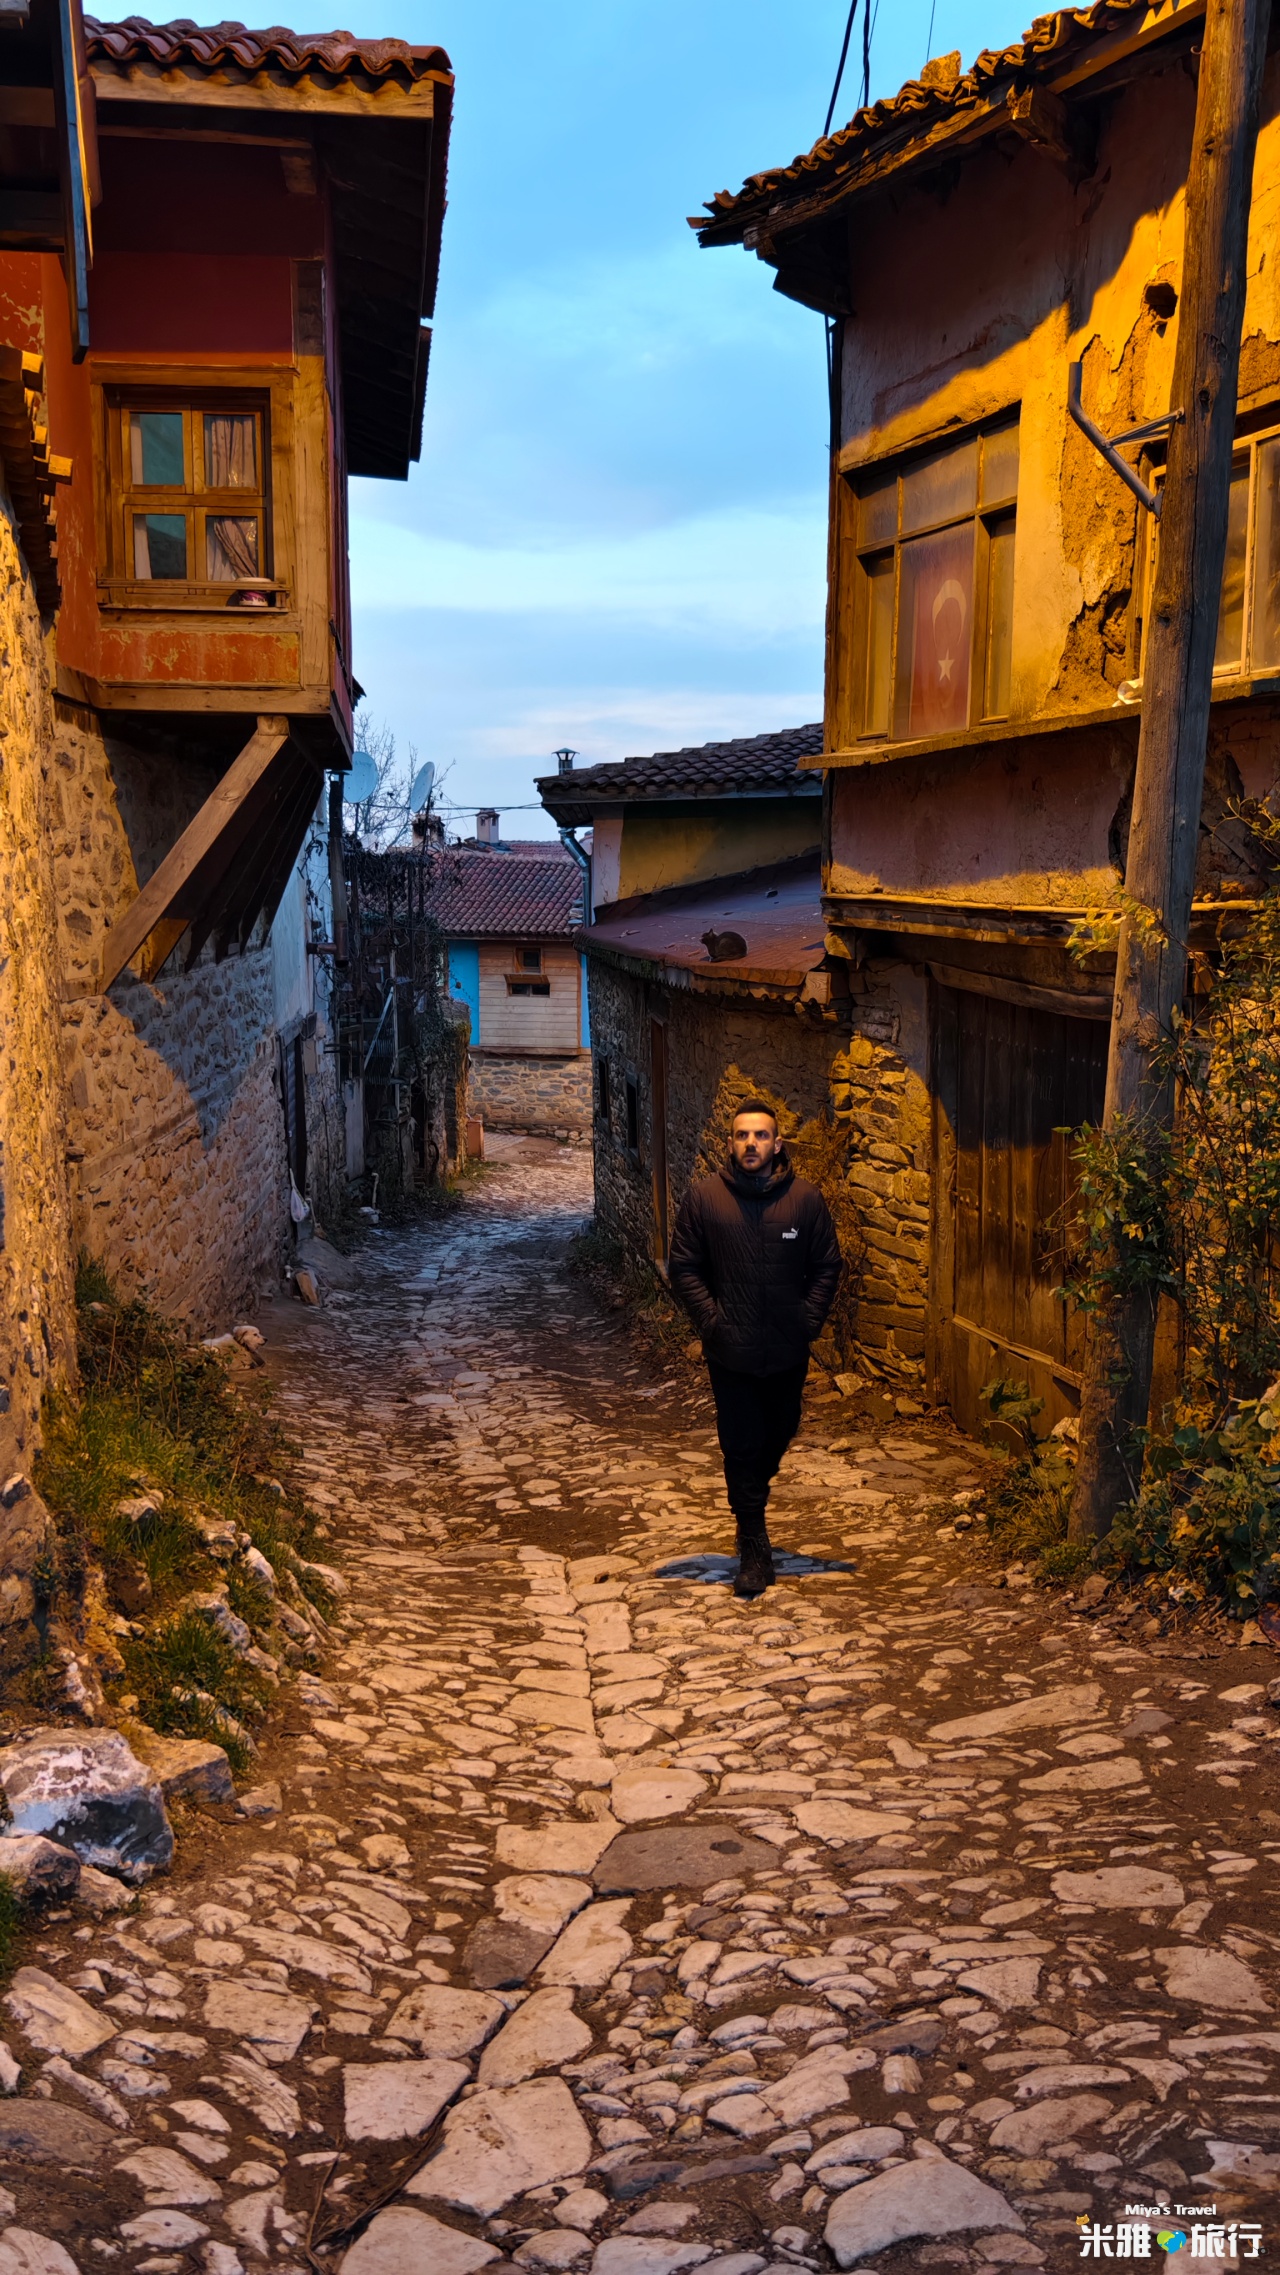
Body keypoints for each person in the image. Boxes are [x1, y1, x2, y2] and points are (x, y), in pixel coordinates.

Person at [669, 1101, 842, 1598]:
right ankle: (753, 1542)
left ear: (777, 1144)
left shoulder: (805, 1200)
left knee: (781, 1429)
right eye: (742, 1135)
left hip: (787, 1351)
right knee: (741, 1443)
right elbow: (684, 1267)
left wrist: (806, 1320)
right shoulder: (705, 1200)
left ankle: (752, 1501)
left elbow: (828, 1266)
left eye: (761, 1136)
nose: (751, 1144)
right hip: (732, 1352)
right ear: (730, 1143)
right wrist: (712, 1321)